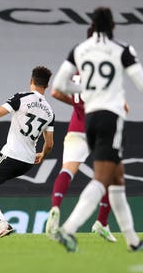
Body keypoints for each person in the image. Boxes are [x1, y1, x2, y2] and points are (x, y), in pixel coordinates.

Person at [51, 6, 143, 253]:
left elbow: (59, 85)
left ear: (91, 25)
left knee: (117, 178)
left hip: (90, 120)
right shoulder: (122, 49)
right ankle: (68, 229)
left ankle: (133, 241)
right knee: (102, 179)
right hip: (110, 118)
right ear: (113, 25)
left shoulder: (79, 50)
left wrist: (86, 92)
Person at [0, 66, 54, 238]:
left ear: (31, 81)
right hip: (27, 161)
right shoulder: (50, 112)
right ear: (47, 86)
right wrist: (42, 155)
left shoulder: (21, 98)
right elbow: (49, 144)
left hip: (12, 153)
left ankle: (3, 224)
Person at [45, 80, 117, 243]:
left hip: (76, 129)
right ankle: (102, 223)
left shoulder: (73, 74)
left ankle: (55, 206)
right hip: (99, 130)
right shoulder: (100, 71)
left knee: (67, 171)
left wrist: (77, 104)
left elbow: (55, 92)